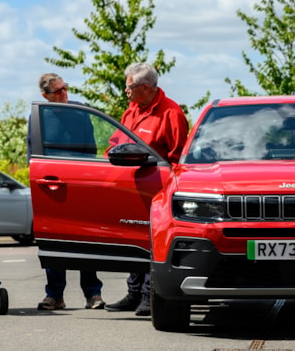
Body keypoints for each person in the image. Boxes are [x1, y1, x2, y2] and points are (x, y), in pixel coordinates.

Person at [105, 62, 189, 316]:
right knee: (134, 240)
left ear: (145, 87)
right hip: (130, 189)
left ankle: (149, 296)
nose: (126, 91)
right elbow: (114, 144)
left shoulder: (171, 113)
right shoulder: (130, 112)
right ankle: (133, 293)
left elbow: (179, 157)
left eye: (129, 87)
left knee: (153, 243)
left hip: (157, 192)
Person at [27, 73, 105, 310]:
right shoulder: (38, 116)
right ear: (45, 95)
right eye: (58, 91)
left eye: (65, 88)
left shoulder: (80, 111)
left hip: (81, 182)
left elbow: (90, 149)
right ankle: (54, 295)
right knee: (53, 241)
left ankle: (93, 294)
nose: (64, 93)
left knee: (86, 239)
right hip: (51, 185)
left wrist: (87, 177)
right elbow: (33, 154)